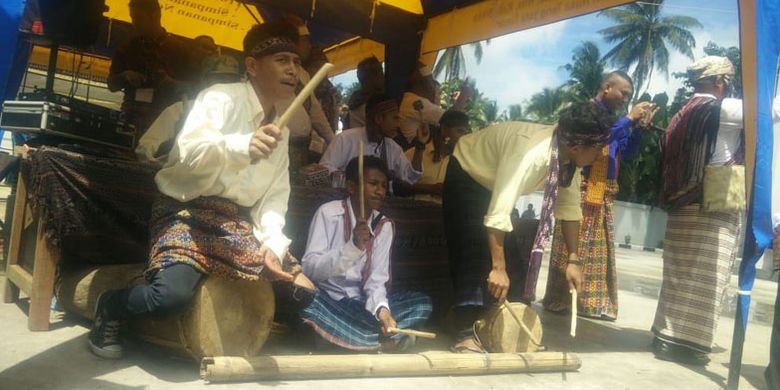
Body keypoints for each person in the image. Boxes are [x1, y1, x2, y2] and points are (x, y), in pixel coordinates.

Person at [88, 22, 316, 359]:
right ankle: (112, 305)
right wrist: (242, 145)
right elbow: (187, 152)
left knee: (300, 291)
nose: (292, 70)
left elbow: (274, 198)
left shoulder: (281, 127)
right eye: (282, 59)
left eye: (296, 62)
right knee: (168, 299)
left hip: (233, 222)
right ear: (252, 66)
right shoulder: (220, 98)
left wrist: (272, 243)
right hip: (187, 210)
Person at [443, 102, 613, 353]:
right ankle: (466, 332)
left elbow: (568, 211)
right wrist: (498, 268)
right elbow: (498, 213)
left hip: (494, 183)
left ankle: (514, 329)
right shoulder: (530, 154)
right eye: (598, 148)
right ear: (577, 147)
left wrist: (574, 261)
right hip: (468, 171)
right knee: (475, 249)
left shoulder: (568, 159)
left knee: (512, 264)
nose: (600, 154)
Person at [543, 71, 657, 321]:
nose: (626, 99)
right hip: (581, 189)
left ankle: (591, 302)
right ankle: (562, 300)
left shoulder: (616, 121)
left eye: (628, 96)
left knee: (598, 250)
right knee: (572, 246)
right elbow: (600, 136)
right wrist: (629, 118)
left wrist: (638, 129)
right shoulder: (586, 113)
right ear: (607, 87)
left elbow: (625, 152)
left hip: (604, 191)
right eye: (623, 93)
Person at [651, 56, 740, 365]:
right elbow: (772, 111)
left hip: (681, 204)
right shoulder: (722, 109)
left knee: (677, 272)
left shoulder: (683, 112)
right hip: (713, 201)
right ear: (719, 83)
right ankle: (688, 343)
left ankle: (665, 334)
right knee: (707, 274)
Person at [301, 156, 433, 351]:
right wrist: (352, 246)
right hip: (330, 300)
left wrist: (382, 311)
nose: (380, 191)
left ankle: (347, 338)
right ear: (352, 187)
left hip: (363, 305)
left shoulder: (383, 225)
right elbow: (310, 269)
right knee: (307, 302)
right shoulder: (328, 213)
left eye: (383, 185)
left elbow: (376, 281)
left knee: (422, 304)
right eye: (373, 184)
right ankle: (385, 341)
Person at [107, 0, 202, 135]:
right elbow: (111, 85)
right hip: (131, 118)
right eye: (132, 18)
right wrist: (124, 76)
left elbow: (197, 88)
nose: (134, 23)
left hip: (164, 120)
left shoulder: (180, 50)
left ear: (154, 16)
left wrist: (173, 84)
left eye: (138, 18)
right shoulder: (127, 48)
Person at [135, 54, 241, 164]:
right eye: (221, 80)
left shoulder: (242, 115)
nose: (226, 86)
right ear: (205, 80)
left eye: (232, 81)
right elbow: (144, 150)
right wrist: (175, 141)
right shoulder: (179, 110)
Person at [320, 94, 424, 188]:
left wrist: (420, 145)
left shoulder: (392, 147)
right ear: (379, 118)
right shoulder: (346, 139)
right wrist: (354, 181)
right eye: (395, 118)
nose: (398, 124)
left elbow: (410, 178)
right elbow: (324, 169)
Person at [398, 64, 472, 147]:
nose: (435, 89)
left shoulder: (411, 99)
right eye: (432, 83)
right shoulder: (415, 101)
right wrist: (464, 96)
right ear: (424, 83)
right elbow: (452, 119)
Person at [404, 110, 469, 204]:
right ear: (444, 130)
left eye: (465, 133)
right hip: (411, 215)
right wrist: (430, 189)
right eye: (460, 131)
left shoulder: (463, 163)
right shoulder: (415, 153)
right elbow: (398, 187)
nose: (463, 138)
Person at [347, 57, 385, 128]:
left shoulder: (356, 99)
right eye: (380, 72)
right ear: (373, 77)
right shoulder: (374, 102)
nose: (383, 76)